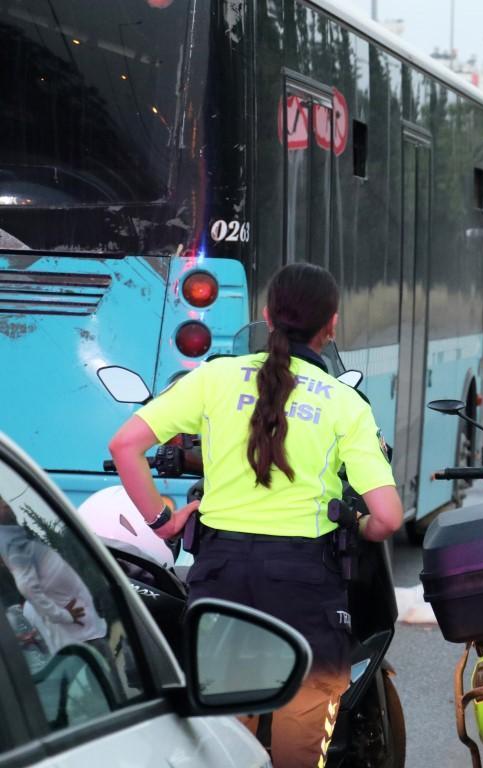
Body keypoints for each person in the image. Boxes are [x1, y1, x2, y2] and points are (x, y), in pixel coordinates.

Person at [109, 262, 402, 768]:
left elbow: (125, 445)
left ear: (267, 316)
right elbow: (388, 518)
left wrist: (164, 520)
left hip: (222, 575)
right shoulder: (343, 403)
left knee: (224, 737)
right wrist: (361, 525)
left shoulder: (215, 377)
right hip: (307, 585)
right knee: (302, 738)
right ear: (331, 325)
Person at [0, 496, 108, 655]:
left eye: (3, 501)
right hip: (82, 648)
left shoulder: (28, 544)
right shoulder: (18, 550)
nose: (5, 505)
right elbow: (27, 588)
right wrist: (65, 616)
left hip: (87, 638)